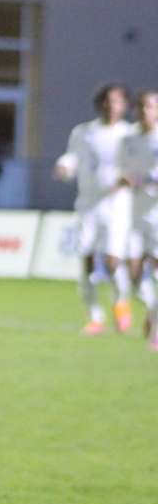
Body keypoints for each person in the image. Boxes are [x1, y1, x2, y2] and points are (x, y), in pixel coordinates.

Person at [54, 83, 134, 335]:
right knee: (87, 260)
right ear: (99, 104)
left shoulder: (129, 134)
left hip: (117, 205)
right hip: (88, 205)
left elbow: (139, 167)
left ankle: (120, 304)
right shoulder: (83, 132)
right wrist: (65, 166)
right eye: (107, 101)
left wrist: (129, 178)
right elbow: (73, 158)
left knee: (113, 261)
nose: (111, 106)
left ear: (124, 105)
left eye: (116, 101)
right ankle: (95, 317)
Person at [118, 89, 158, 350]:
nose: (146, 112)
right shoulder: (128, 139)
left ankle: (155, 328)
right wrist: (124, 179)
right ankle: (152, 310)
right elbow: (120, 170)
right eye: (142, 107)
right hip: (132, 214)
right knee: (133, 273)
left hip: (157, 215)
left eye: (151, 107)